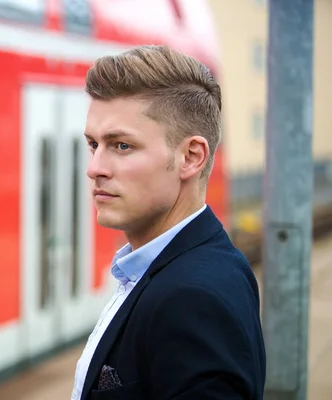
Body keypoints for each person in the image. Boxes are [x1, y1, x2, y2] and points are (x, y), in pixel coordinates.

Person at [71, 45, 266, 400]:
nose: (94, 167)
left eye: (121, 146)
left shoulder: (192, 298)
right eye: (93, 144)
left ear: (190, 157)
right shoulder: (180, 266)